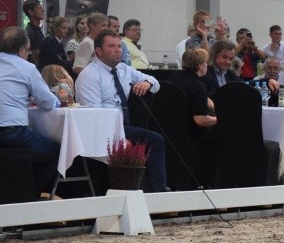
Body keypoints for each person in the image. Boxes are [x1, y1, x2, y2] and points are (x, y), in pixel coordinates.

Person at [75, 30, 169, 192]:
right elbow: (94, 115)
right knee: (155, 140)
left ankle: (157, 194)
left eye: (119, 46)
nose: (118, 50)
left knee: (157, 137)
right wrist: (116, 137)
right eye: (111, 46)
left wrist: (146, 82)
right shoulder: (89, 75)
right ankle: (157, 192)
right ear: (98, 51)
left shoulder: (124, 69)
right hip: (103, 128)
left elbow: (156, 83)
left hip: (124, 125)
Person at [0, 27, 61, 196]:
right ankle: (29, 196)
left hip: (9, 133)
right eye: (28, 50)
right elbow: (47, 101)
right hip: (12, 133)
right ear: (21, 50)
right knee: (58, 153)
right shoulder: (26, 67)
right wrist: (57, 101)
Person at [168, 48, 217, 135]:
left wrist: (218, 109)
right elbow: (200, 120)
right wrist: (223, 118)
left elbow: (202, 98)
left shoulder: (175, 76)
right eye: (206, 62)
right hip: (190, 131)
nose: (207, 65)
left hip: (171, 125)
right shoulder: (197, 85)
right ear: (199, 66)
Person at [23, 0, 46, 66]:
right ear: (31, 12)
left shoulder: (38, 31)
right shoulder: (29, 32)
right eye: (39, 8)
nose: (43, 10)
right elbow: (35, 56)